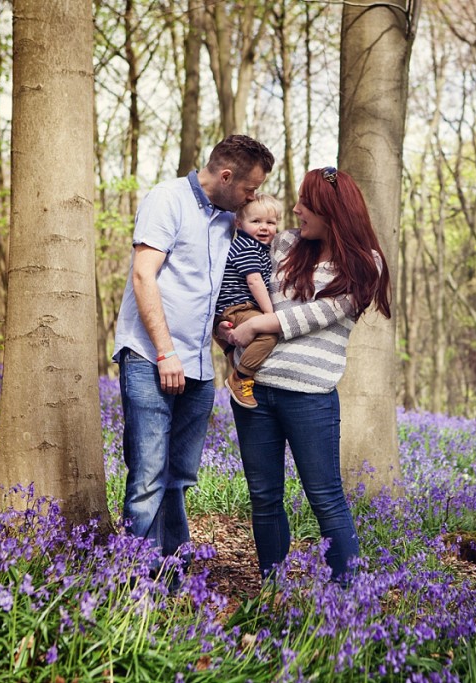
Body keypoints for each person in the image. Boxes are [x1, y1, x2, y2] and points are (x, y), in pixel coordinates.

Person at [216, 166, 391, 584]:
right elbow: (243, 279)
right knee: (264, 497)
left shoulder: (366, 264)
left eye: (305, 204)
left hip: (310, 397)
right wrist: (228, 336)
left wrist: (257, 327)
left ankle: (348, 599)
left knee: (326, 498)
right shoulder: (286, 243)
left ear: (331, 211)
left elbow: (312, 316)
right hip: (254, 392)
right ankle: (272, 589)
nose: (295, 210)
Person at [113, 134, 274, 577]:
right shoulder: (167, 200)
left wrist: (222, 333)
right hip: (152, 358)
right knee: (147, 478)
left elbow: (214, 286)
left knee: (179, 479)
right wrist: (166, 354)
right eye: (249, 189)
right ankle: (133, 588)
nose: (252, 197)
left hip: (199, 367)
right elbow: (145, 277)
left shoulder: (228, 219)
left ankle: (172, 576)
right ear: (225, 176)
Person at [214, 194, 282, 409]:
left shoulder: (260, 248)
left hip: (242, 307)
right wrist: (270, 314)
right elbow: (254, 282)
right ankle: (240, 377)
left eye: (270, 223)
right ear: (238, 223)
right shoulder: (247, 246)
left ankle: (233, 356)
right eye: (256, 221)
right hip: (237, 307)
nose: (264, 228)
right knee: (268, 333)